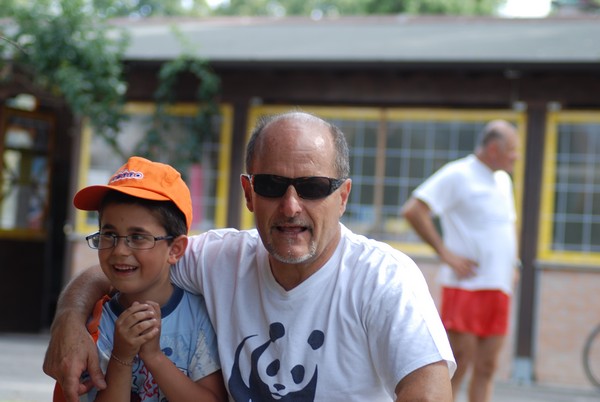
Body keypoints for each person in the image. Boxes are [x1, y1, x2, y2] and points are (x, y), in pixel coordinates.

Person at [44, 111, 456, 402]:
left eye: (313, 186)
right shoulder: (220, 258)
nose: (292, 206)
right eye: (273, 184)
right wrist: (69, 318)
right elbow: (128, 265)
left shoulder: (384, 278)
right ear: (248, 193)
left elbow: (427, 393)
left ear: (343, 196)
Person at [54, 156, 227, 402]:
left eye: (138, 237)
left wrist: (154, 356)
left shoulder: (199, 314)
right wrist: (122, 356)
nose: (120, 251)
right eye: (109, 234)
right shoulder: (93, 323)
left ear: (175, 250)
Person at [401, 120, 520, 402]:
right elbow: (413, 210)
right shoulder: (458, 174)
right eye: (512, 150)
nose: (516, 156)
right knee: (458, 365)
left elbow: (507, 226)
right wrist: (445, 253)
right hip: (465, 287)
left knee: (488, 367)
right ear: (493, 149)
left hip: (498, 286)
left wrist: (514, 264)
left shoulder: (503, 180)